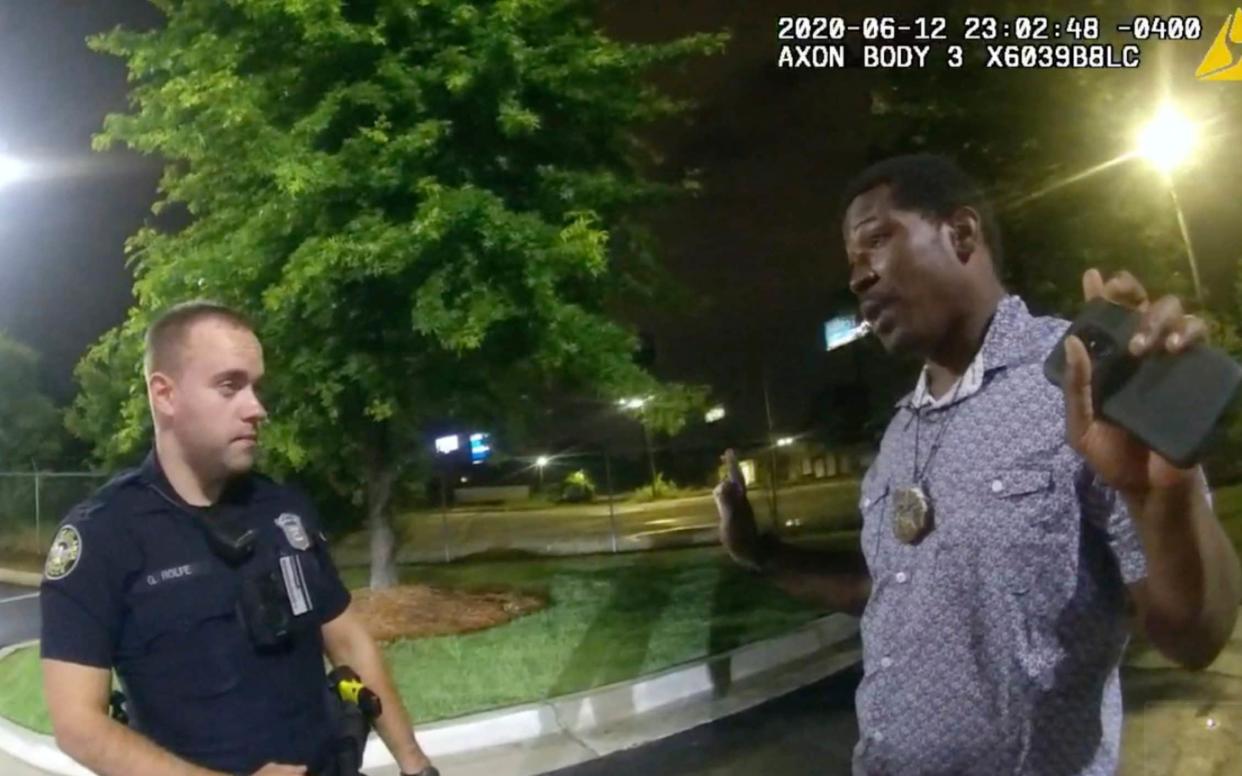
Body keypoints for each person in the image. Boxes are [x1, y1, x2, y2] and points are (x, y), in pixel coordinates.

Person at [713, 154, 1242, 775]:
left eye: (876, 241)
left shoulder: (1083, 382)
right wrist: (759, 552)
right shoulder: (898, 435)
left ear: (960, 234)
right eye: (852, 260)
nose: (858, 278)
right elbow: (890, 593)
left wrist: (1164, 502)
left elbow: (1195, 635)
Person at [40, 301, 438, 776]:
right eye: (230, 385)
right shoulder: (101, 536)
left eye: (256, 386)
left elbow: (348, 640)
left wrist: (415, 765)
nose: (257, 409)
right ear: (165, 395)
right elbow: (78, 724)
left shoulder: (284, 509)